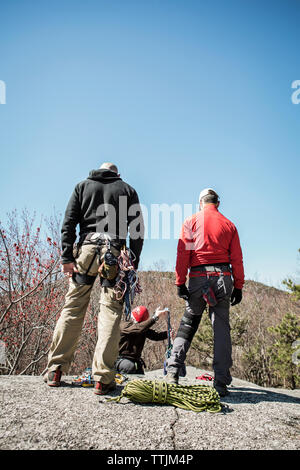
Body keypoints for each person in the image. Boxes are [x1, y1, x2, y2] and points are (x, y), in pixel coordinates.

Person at [44, 163, 144, 395]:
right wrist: (133, 263)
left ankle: (55, 370)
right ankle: (102, 378)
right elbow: (137, 231)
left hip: (86, 251)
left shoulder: (82, 187)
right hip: (114, 252)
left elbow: (68, 223)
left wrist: (67, 257)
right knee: (110, 311)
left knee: (73, 307)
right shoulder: (127, 190)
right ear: (118, 175)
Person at [165, 188, 244, 397]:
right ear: (217, 203)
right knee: (221, 328)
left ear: (200, 203)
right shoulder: (229, 225)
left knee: (188, 323)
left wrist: (180, 282)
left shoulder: (190, 222)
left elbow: (183, 254)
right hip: (223, 278)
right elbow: (237, 259)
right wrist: (239, 286)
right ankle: (220, 382)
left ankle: (172, 371)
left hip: (198, 278)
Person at [116, 306, 169, 374]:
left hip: (134, 361)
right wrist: (154, 317)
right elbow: (138, 329)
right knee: (129, 366)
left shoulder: (142, 329)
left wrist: (168, 333)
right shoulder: (124, 326)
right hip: (120, 360)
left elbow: (156, 336)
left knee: (139, 373)